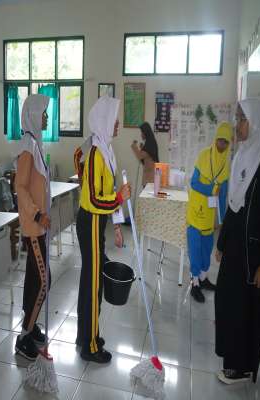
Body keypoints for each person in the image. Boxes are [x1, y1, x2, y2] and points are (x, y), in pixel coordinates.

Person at [215, 98, 260, 384]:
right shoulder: (241, 157)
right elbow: (233, 206)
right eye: (237, 118)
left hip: (253, 255)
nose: (237, 124)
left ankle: (241, 366)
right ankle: (231, 360)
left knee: (246, 308)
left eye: (243, 119)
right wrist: (221, 243)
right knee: (227, 301)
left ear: (256, 123)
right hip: (234, 248)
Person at [75, 96, 131, 363]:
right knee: (93, 284)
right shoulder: (96, 154)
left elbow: (107, 193)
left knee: (91, 281)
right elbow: (96, 199)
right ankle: (90, 346)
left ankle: (85, 335)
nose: (117, 123)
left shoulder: (106, 149)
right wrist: (119, 198)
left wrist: (117, 225)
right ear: (104, 121)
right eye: (114, 119)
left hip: (98, 222)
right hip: (90, 222)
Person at [14, 94, 51, 361]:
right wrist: (37, 214)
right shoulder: (28, 147)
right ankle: (24, 337)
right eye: (44, 113)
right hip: (33, 225)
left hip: (39, 225)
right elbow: (20, 187)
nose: (47, 118)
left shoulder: (35, 143)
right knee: (43, 280)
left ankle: (31, 322)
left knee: (34, 278)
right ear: (34, 116)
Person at [187, 121, 233, 303]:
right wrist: (211, 189)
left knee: (207, 248)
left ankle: (204, 278)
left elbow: (222, 195)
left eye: (225, 142)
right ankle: (195, 284)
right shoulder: (204, 155)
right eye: (220, 140)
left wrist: (221, 221)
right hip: (196, 213)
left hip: (210, 216)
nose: (222, 144)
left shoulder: (226, 164)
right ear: (215, 139)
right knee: (195, 249)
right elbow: (194, 183)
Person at [131, 122, 160, 186]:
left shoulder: (149, 144)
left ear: (145, 132)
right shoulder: (150, 142)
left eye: (142, 132)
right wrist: (142, 148)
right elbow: (146, 156)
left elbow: (140, 156)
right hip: (151, 175)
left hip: (150, 178)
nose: (141, 135)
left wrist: (134, 146)